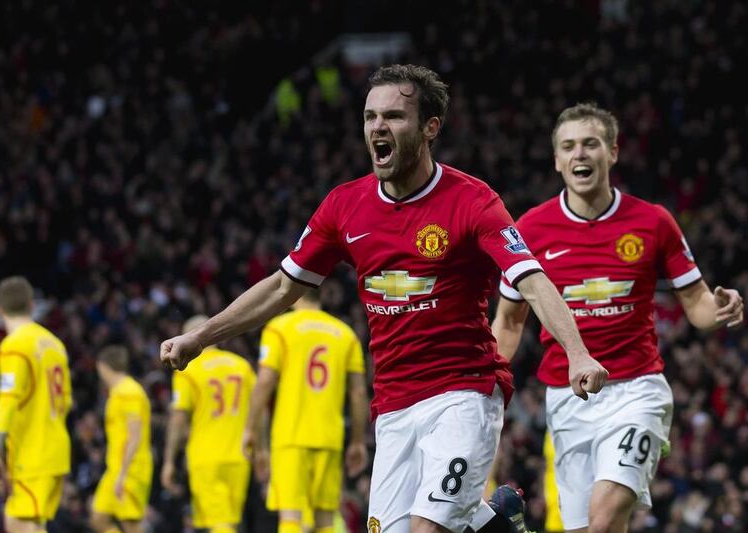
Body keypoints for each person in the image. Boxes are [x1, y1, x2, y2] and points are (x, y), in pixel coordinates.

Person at [160, 64, 608, 533]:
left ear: (429, 128)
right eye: (371, 116)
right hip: (393, 405)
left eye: (394, 116)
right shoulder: (344, 206)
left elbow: (532, 279)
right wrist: (202, 335)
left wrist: (577, 353)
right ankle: (496, 521)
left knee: (426, 529)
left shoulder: (473, 201)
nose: (378, 126)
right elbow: (281, 286)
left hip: (463, 392)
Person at [492, 102, 744, 533]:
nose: (580, 155)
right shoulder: (531, 229)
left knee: (605, 516)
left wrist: (719, 309)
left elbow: (697, 303)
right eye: (569, 146)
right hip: (567, 398)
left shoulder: (654, 222)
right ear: (557, 160)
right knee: (586, 528)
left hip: (637, 392)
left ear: (612, 152)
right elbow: (510, 322)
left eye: (591, 144)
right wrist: (485, 383)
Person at [242, 288, 369, 533]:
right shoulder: (345, 334)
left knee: (290, 516)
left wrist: (250, 429)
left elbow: (265, 382)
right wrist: (356, 441)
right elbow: (358, 393)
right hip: (329, 437)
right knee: (325, 520)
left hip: (291, 436)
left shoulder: (280, 328)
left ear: (293, 293)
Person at [0, 276, 73, 533]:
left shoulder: (14, 345)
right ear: (32, 305)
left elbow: (7, 400)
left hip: (33, 452)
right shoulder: (55, 344)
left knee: (17, 523)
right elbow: (67, 400)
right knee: (32, 524)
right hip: (56, 449)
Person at [161, 315, 257, 533]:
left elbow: (178, 418)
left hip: (206, 457)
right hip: (239, 456)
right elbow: (258, 411)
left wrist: (169, 461)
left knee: (219, 524)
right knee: (227, 521)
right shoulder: (242, 366)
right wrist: (260, 449)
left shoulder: (188, 371)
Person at [91, 345, 153, 533]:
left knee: (130, 524)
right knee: (98, 518)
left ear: (103, 366)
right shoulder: (119, 392)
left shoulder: (129, 392)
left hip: (131, 468)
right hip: (116, 468)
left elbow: (135, 436)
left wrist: (123, 473)